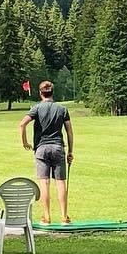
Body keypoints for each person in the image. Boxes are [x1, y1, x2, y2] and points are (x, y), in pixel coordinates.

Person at [20, 80, 74, 224]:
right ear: (52, 93)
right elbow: (69, 132)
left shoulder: (36, 108)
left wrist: (25, 142)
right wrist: (70, 151)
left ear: (40, 93)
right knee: (60, 182)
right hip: (58, 147)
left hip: (41, 149)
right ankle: (64, 216)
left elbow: (22, 124)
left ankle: (46, 216)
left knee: (44, 183)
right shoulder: (62, 109)